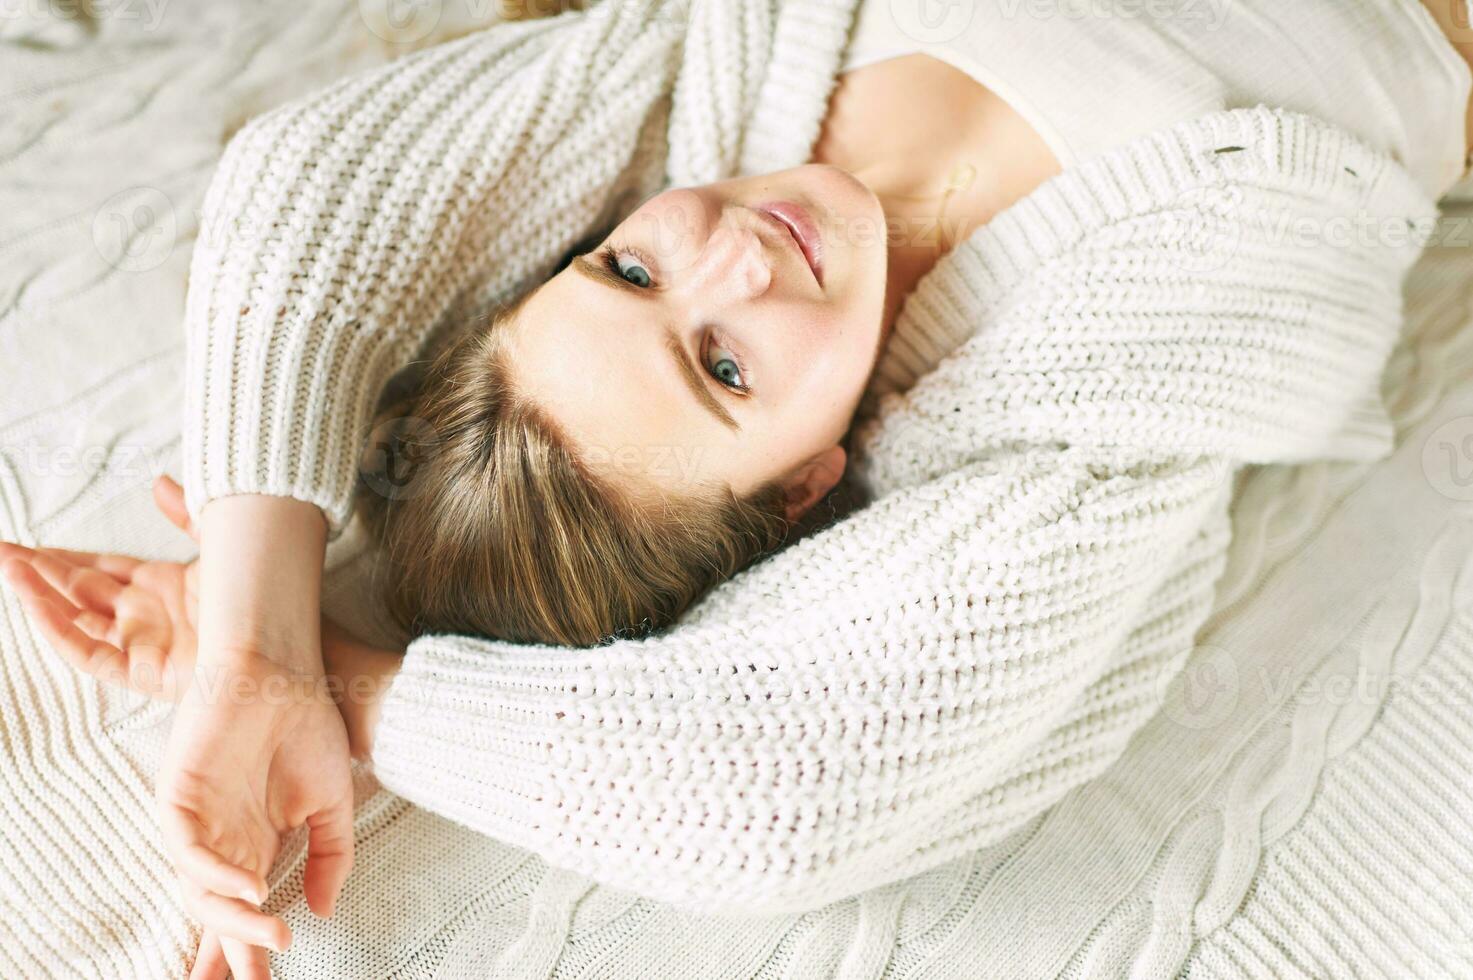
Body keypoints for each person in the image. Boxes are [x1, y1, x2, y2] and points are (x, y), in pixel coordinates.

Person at [3, 1, 1471, 977]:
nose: (733, 255)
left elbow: (307, 189)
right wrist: (347, 686)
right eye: (722, 367)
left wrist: (254, 639)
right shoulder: (1066, 390)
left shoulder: (709, 96)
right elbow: (782, 791)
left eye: (622, 270)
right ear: (797, 498)